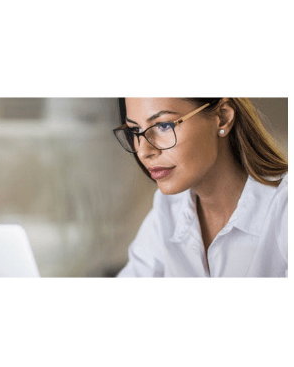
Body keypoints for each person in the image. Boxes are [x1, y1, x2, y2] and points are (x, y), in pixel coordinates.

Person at [113, 98, 288, 277]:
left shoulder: (285, 210)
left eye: (164, 125)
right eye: (136, 130)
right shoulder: (167, 210)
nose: (143, 151)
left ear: (223, 117)